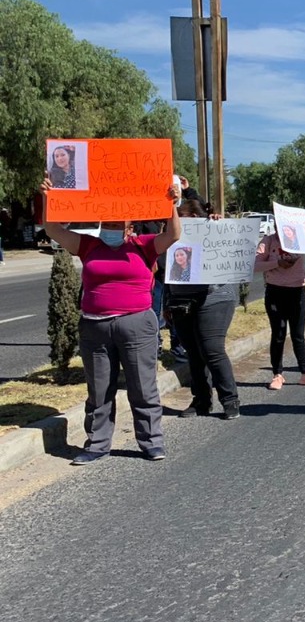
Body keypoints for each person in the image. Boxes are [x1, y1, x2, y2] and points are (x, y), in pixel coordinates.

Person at [39, 177, 182, 464]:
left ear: (130, 228)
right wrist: (48, 197)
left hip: (136, 325)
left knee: (143, 386)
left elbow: (174, 235)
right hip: (95, 326)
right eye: (107, 224)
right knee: (99, 389)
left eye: (117, 225)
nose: (111, 230)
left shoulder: (145, 245)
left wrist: (171, 203)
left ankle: (151, 442)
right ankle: (97, 444)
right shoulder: (88, 245)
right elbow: (52, 228)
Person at [165, 200, 240, 420]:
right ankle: (201, 401)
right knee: (194, 353)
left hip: (215, 297)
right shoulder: (169, 236)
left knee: (212, 349)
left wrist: (219, 227)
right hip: (181, 299)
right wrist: (167, 304)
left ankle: (230, 399)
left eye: (183, 216)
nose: (179, 221)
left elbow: (236, 247)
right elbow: (164, 270)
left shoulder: (214, 231)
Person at [255, 222, 305, 390]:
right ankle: (277, 374)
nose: (283, 230)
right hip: (275, 292)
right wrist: (277, 263)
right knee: (278, 334)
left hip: (297, 292)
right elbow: (255, 265)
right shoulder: (268, 241)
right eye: (279, 226)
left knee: (298, 334)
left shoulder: (301, 240)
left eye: (286, 227)